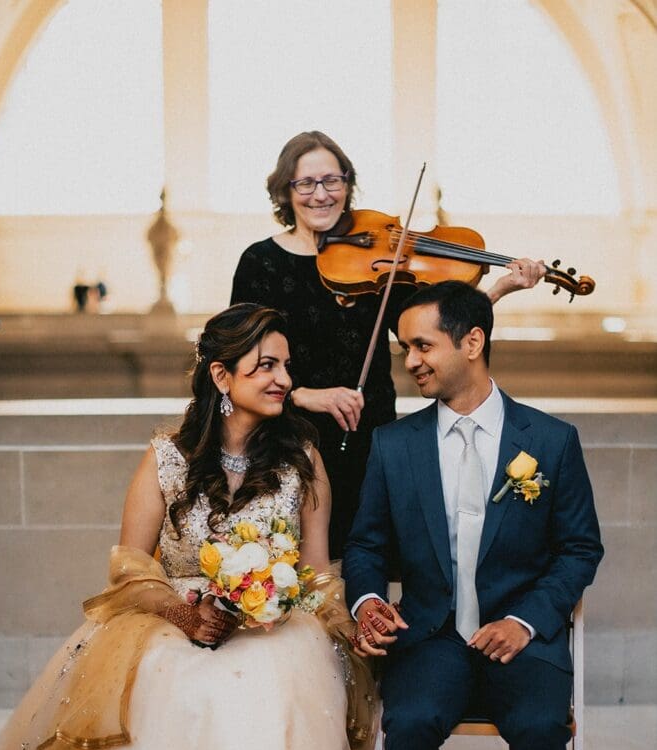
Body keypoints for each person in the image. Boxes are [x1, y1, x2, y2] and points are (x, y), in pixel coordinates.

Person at [0, 303, 363, 750]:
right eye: (264, 365)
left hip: (273, 628)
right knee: (157, 705)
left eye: (285, 365)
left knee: (260, 712)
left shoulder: (302, 457)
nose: (282, 380)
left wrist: (335, 620)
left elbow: (319, 573)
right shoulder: (168, 455)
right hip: (169, 620)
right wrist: (186, 614)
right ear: (220, 374)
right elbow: (130, 563)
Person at [343, 281, 603, 750]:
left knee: (541, 727)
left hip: (521, 637)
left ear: (471, 342)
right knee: (412, 721)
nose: (411, 361)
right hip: (429, 635)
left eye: (422, 345)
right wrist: (367, 600)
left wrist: (525, 621)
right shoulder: (393, 446)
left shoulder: (547, 441)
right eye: (405, 349)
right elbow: (365, 546)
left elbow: (578, 549)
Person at [231, 130, 546, 557]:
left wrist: (501, 287)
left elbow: (435, 331)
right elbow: (242, 361)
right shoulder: (260, 263)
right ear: (285, 192)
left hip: (368, 428)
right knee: (294, 562)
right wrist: (306, 395)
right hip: (286, 433)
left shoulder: (381, 259)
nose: (320, 194)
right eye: (305, 183)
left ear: (347, 184)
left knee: (366, 557)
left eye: (332, 181)